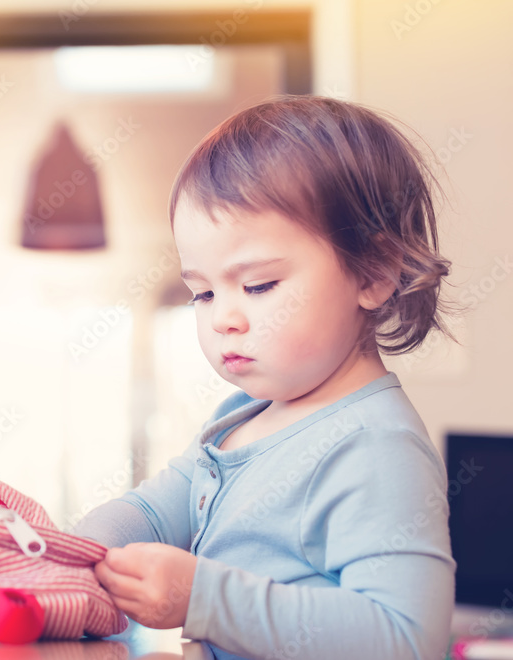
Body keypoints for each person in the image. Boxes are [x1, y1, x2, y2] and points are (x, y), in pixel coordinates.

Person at [70, 95, 459, 660]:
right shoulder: (237, 419)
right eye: (202, 292)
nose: (223, 317)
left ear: (373, 273)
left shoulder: (375, 446)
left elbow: (404, 640)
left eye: (257, 286)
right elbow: (156, 512)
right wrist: (74, 551)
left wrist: (204, 598)